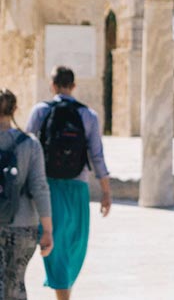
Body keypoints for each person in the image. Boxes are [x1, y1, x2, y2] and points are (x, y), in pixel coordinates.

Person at [25, 67, 112, 300]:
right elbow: (97, 156)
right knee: (74, 246)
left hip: (48, 187)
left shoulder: (40, 111)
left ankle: (63, 295)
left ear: (53, 85)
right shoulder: (88, 115)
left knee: (57, 247)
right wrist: (106, 192)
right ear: (74, 86)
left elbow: (27, 151)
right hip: (78, 188)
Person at [0, 89, 53, 300]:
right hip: (23, 225)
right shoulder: (30, 144)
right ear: (15, 109)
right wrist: (47, 230)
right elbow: (40, 187)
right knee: (16, 285)